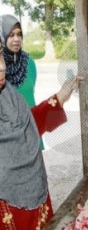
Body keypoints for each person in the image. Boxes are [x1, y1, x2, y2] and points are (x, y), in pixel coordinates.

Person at [0, 38, 83, 230]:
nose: (2, 66)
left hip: (35, 197)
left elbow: (29, 125)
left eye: (0, 55)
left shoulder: (9, 96)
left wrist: (60, 98)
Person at [0, 14, 44, 148]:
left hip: (31, 128)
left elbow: (30, 91)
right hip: (8, 134)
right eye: (11, 35)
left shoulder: (29, 61)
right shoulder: (1, 66)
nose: (16, 39)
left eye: (19, 34)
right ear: (2, 36)